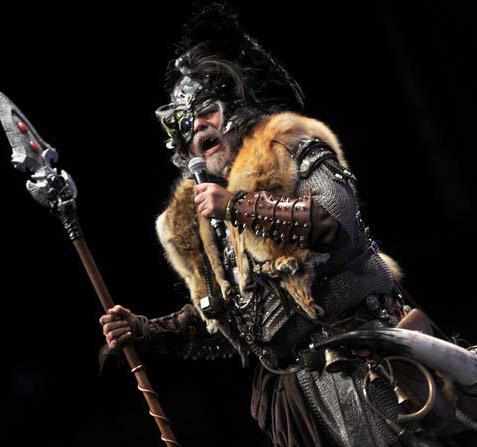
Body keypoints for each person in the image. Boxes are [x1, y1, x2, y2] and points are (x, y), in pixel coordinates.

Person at [99, 5, 477, 446]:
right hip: (297, 402)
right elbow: (239, 328)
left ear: (234, 109)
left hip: (367, 364)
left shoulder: (292, 149)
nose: (198, 125)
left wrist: (240, 206)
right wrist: (146, 331)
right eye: (186, 123)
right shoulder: (210, 222)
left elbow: (335, 224)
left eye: (206, 110)